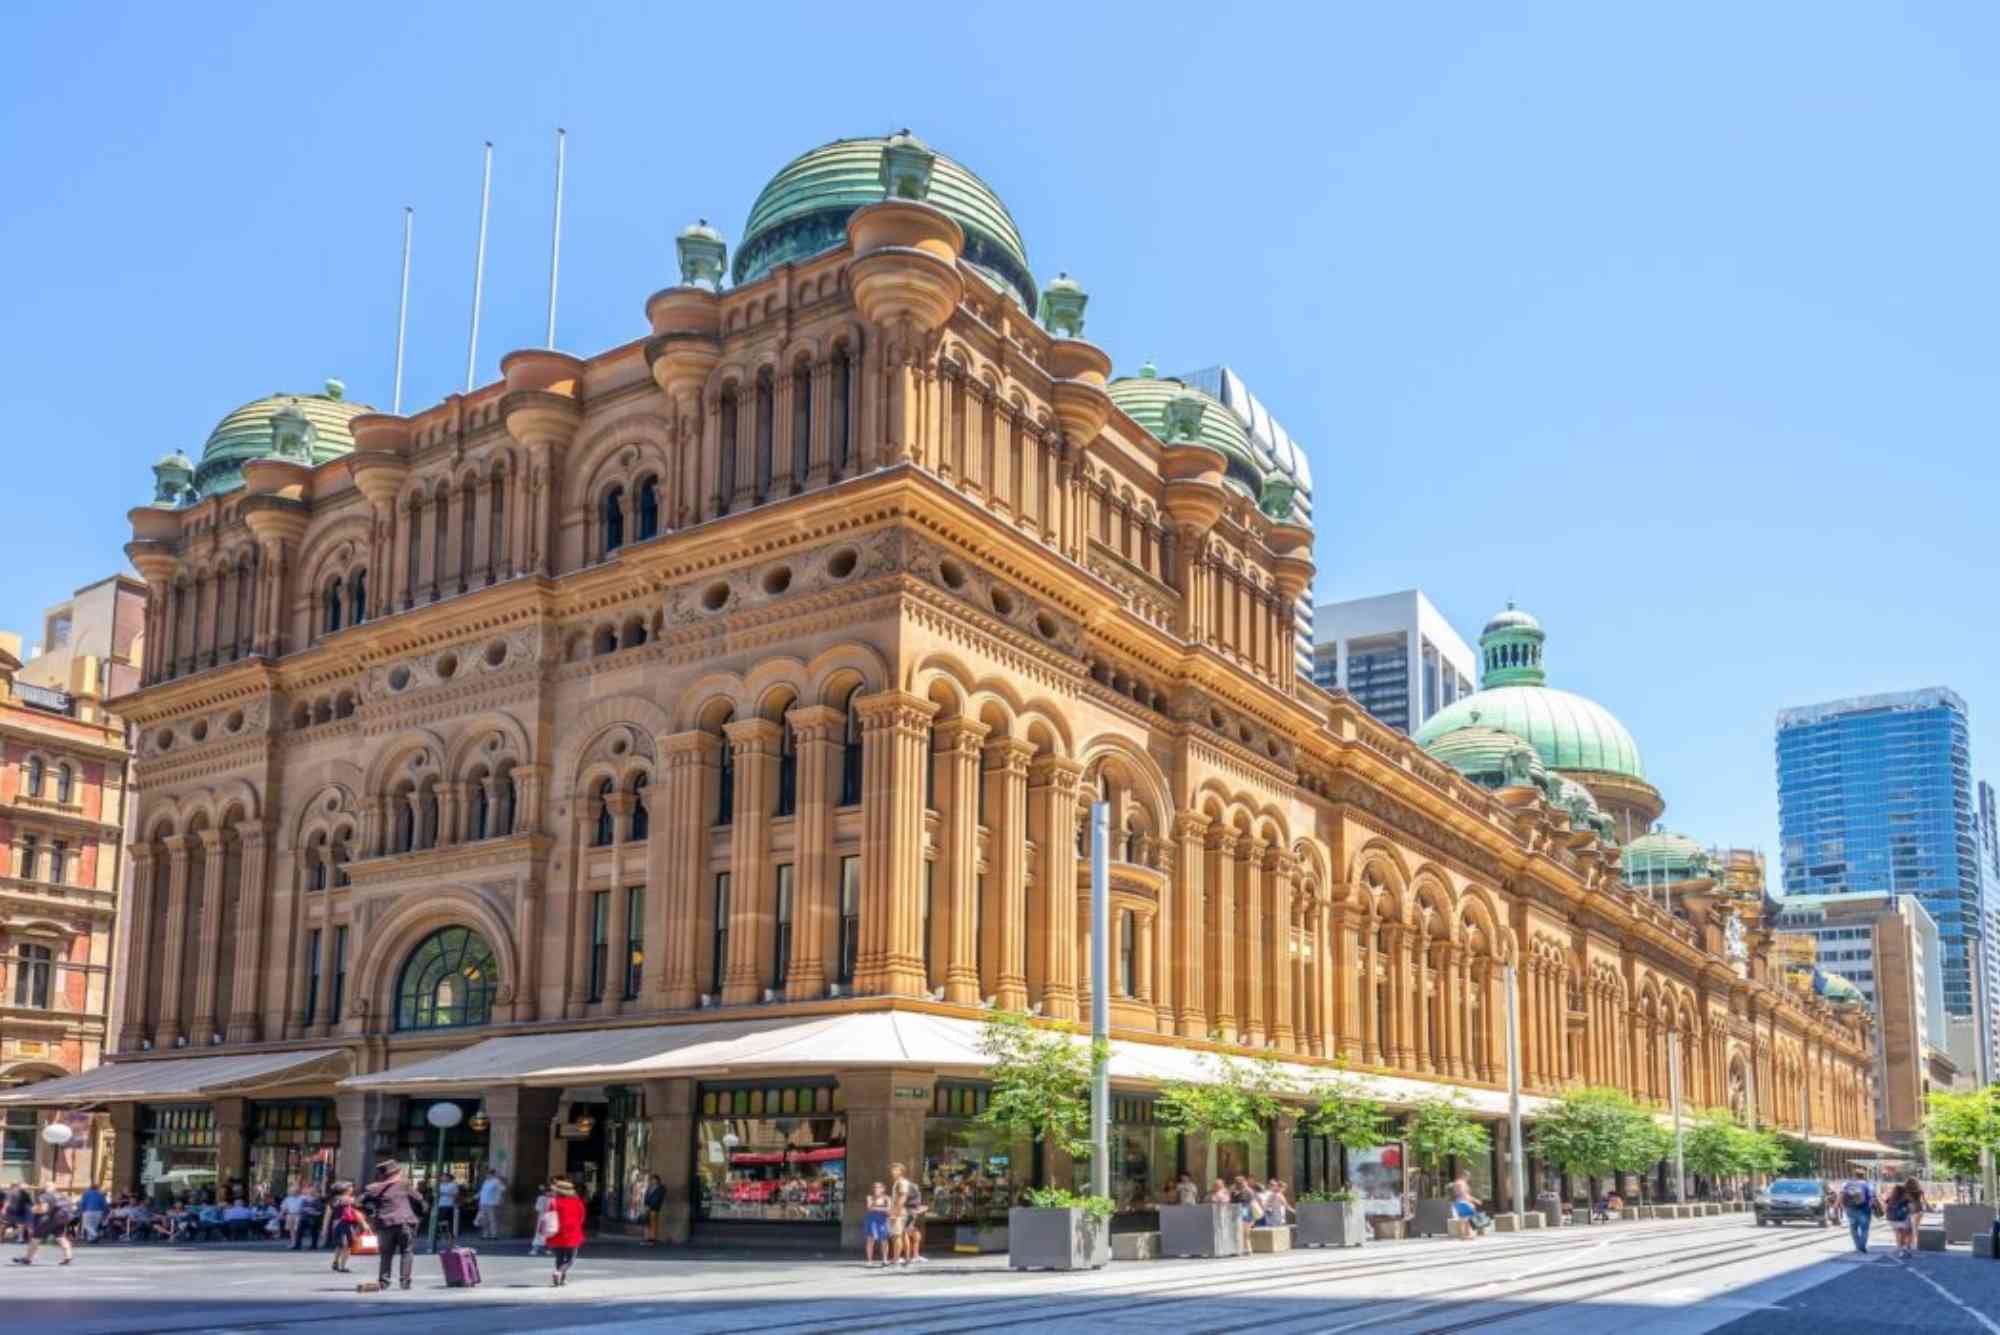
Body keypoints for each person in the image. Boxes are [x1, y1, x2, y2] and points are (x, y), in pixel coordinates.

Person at [361, 1159, 425, 1292]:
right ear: (397, 1173)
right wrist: (418, 1217)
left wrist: (372, 1213)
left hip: (384, 1223)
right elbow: (420, 1201)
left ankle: (384, 1281)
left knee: (386, 1253)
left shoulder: (372, 1188)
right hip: (405, 1222)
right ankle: (405, 1282)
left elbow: (359, 1202)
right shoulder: (404, 1185)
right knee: (407, 1251)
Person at [13, 1188, 74, 1266]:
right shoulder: (60, 1195)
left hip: (48, 1220)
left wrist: (33, 1210)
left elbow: (44, 1209)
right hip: (61, 1219)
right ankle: (68, 1256)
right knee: (61, 1237)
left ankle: (27, 1258)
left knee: (36, 1238)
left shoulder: (44, 1196)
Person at [546, 1178, 585, 1287]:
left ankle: (561, 1280)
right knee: (571, 1259)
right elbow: (581, 1217)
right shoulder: (577, 1202)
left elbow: (549, 1216)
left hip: (556, 1233)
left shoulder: (554, 1202)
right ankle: (559, 1273)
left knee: (559, 1257)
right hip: (572, 1233)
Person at [1884, 1176, 1927, 1259]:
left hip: (1892, 1217)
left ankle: (1900, 1249)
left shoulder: (1899, 1190)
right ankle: (1905, 1249)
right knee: (1909, 1232)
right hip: (1903, 1217)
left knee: (1899, 1233)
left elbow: (1887, 1201)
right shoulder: (1915, 1192)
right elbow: (1914, 1206)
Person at [1837, 1173, 1878, 1255]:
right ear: (1863, 1176)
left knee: (1853, 1229)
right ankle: (1862, 1247)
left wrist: (1843, 1207)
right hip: (1864, 1210)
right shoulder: (1868, 1185)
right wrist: (1870, 1207)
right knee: (1864, 1229)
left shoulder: (1847, 1184)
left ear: (1855, 1176)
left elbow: (1841, 1195)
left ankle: (1857, 1246)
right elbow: (1872, 1198)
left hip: (1851, 1210)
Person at [327, 1184, 362, 1274]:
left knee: (342, 1245)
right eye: (350, 1187)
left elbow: (328, 1213)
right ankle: (342, 1265)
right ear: (345, 1189)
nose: (352, 1188)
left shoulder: (334, 1199)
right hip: (343, 1223)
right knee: (346, 1245)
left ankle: (337, 1263)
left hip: (343, 1223)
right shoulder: (344, 1199)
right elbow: (350, 1202)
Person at [887, 1163, 915, 1266]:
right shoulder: (899, 1182)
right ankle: (906, 1258)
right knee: (903, 1235)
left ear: (901, 1171)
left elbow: (902, 1197)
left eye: (896, 1169)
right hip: (902, 1211)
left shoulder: (901, 1182)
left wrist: (895, 1212)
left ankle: (896, 1259)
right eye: (892, 1169)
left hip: (900, 1212)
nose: (893, 1171)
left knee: (896, 1235)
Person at [863, 1181, 891, 1267]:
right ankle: (869, 1260)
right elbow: (869, 1208)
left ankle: (885, 1259)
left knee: (884, 1240)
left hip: (882, 1220)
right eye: (875, 1187)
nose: (876, 1189)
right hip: (871, 1220)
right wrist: (882, 1208)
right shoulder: (870, 1197)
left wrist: (876, 1207)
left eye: (878, 1187)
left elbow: (889, 1210)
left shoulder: (887, 1198)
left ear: (883, 1189)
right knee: (870, 1239)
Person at [1450, 1173, 1485, 1240]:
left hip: (1457, 1203)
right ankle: (1467, 1234)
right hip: (1463, 1202)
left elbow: (1457, 1194)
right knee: (1469, 1217)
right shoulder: (1462, 1184)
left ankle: (1463, 1235)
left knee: (1463, 1218)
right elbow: (1464, 1195)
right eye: (1468, 1177)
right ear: (1466, 1176)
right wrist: (1475, 1200)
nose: (1469, 1179)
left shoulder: (1457, 1182)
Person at [475, 1170, 506, 1242]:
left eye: (488, 1174)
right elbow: (482, 1191)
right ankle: (485, 1234)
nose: (487, 1175)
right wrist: (477, 1196)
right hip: (483, 1202)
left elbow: (503, 1189)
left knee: (492, 1219)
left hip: (492, 1203)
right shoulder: (486, 1181)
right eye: (487, 1174)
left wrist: (498, 1197)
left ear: (493, 1175)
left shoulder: (496, 1181)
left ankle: (494, 1235)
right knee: (484, 1219)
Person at [434, 1172, 461, 1245]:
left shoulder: (453, 1185)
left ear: (449, 1178)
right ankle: (444, 1232)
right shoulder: (440, 1185)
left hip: (449, 1204)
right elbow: (436, 1194)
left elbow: (456, 1195)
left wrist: (445, 1194)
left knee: (446, 1220)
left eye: (444, 1177)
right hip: (441, 1204)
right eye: (442, 1177)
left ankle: (448, 1234)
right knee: (440, 1219)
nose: (442, 1178)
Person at [641, 1174, 666, 1246]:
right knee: (647, 1223)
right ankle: (647, 1239)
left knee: (653, 1224)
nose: (652, 1181)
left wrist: (650, 1205)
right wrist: (646, 1205)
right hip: (648, 1207)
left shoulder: (661, 1188)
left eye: (654, 1179)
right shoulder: (650, 1187)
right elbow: (646, 1196)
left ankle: (652, 1240)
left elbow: (657, 1199)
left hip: (654, 1208)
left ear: (657, 1180)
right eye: (652, 1179)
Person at [529, 1183, 553, 1257]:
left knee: (549, 1234)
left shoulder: (553, 1198)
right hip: (543, 1218)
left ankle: (548, 1249)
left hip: (550, 1218)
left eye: (551, 1191)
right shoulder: (541, 1198)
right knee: (540, 1234)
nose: (550, 1193)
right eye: (548, 1191)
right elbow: (538, 1208)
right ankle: (535, 1249)